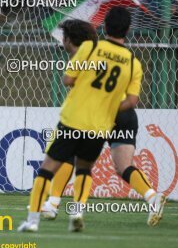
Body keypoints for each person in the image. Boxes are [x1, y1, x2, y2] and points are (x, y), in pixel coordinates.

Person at [18, 7, 143, 232]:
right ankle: (76, 211)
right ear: (128, 29)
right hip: (100, 126)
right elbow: (132, 100)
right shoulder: (133, 63)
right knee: (84, 168)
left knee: (47, 169)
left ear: (105, 25)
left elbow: (68, 79)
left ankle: (33, 220)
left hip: (73, 119)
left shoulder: (90, 47)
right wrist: (109, 106)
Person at [40, 19, 166, 227]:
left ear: (70, 40)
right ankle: (152, 196)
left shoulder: (86, 56)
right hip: (125, 114)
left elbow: (72, 84)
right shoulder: (115, 55)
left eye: (64, 39)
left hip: (99, 114)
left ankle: (53, 205)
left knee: (69, 155)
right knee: (123, 166)